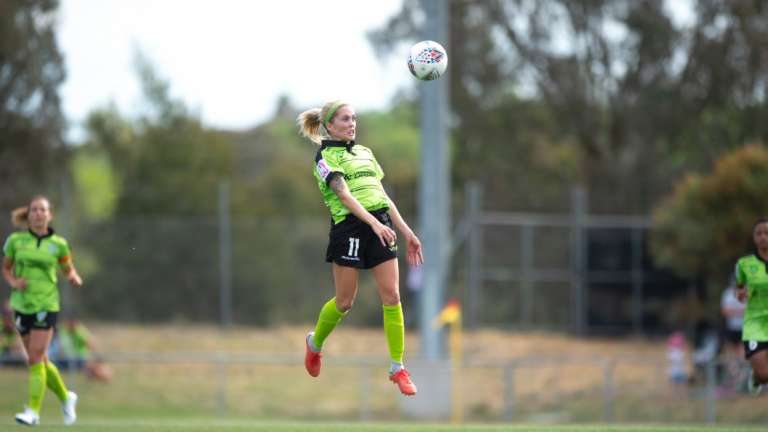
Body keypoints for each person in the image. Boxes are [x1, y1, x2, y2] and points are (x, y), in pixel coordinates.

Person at [297, 101, 424, 396]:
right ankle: (314, 343)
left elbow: (382, 197)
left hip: (379, 223)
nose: (352, 123)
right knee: (345, 302)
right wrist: (373, 225)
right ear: (329, 125)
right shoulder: (324, 157)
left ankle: (398, 368)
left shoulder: (365, 153)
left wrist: (407, 232)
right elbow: (343, 196)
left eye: (353, 118)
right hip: (350, 228)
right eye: (344, 119)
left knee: (392, 295)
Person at [2, 196, 82, 425]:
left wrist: (74, 277)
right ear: (28, 215)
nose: (38, 213)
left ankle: (33, 412)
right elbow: (6, 269)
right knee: (40, 360)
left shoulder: (59, 244)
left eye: (42, 210)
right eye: (34, 210)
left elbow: (67, 268)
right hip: (22, 305)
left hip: (46, 304)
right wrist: (14, 282)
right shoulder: (15, 241)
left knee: (35, 357)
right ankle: (67, 398)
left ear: (50, 215)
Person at [734, 218, 768, 395]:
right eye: (759, 233)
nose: (763, 237)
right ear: (754, 238)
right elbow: (739, 289)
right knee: (763, 375)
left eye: (766, 233)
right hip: (755, 321)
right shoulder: (744, 264)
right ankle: (755, 378)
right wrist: (740, 294)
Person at [721, 277, 746, 388]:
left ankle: (742, 378)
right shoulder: (727, 294)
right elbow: (726, 312)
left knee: (743, 354)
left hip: (744, 328)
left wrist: (734, 311)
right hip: (732, 328)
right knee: (732, 354)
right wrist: (740, 312)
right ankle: (735, 377)